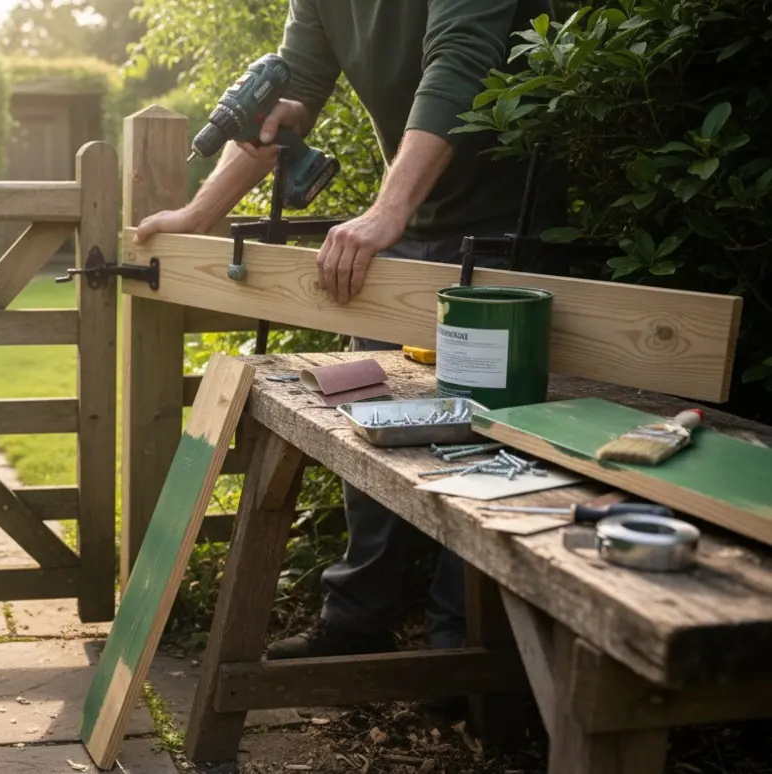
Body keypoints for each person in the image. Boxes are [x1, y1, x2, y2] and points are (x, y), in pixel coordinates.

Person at [134, 0, 566, 660]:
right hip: (407, 228)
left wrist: (384, 212)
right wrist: (199, 212)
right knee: (379, 429)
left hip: (506, 234)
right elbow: (292, 88)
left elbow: (457, 65)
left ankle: (464, 649)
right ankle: (359, 619)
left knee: (483, 445)